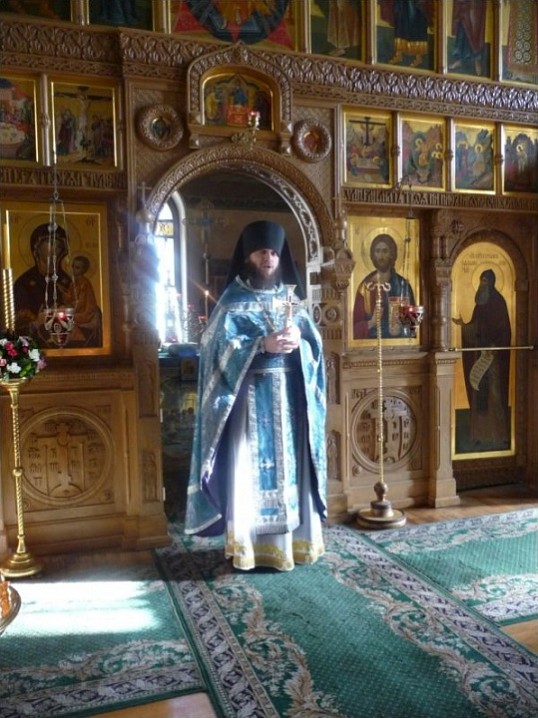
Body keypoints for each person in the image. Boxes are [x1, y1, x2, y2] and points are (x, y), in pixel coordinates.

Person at [184, 220, 327, 571]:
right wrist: (261, 344)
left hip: (290, 405)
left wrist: (300, 342)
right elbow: (214, 348)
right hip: (248, 403)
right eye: (262, 252)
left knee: (293, 472)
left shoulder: (292, 301)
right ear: (248, 256)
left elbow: (315, 347)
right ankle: (249, 549)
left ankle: (294, 545)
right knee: (248, 471)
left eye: (274, 253)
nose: (269, 259)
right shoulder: (232, 302)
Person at [452, 269, 511, 450]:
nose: (482, 284)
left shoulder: (499, 302)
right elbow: (475, 327)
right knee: (478, 391)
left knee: (495, 393)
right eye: (481, 280)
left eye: (485, 281)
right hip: (480, 355)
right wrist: (464, 326)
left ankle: (500, 435)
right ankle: (478, 435)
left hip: (493, 357)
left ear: (492, 282)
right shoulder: (479, 304)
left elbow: (505, 330)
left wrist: (494, 346)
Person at [14, 223, 71, 343]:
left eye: (59, 246)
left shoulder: (66, 281)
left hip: (64, 341)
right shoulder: (24, 283)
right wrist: (37, 321)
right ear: (37, 247)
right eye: (51, 244)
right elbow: (18, 322)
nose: (56, 249)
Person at [353, 233, 415, 339]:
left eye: (385, 251)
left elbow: (412, 325)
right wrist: (371, 322)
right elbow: (354, 328)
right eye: (377, 251)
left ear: (392, 254)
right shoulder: (365, 287)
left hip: (399, 345)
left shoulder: (403, 285)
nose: (381, 256)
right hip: (370, 345)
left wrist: (401, 329)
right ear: (373, 255)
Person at [62, 254, 103, 347]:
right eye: (73, 266)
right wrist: (64, 293)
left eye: (77, 268)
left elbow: (81, 302)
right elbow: (70, 298)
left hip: (87, 313)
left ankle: (75, 338)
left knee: (65, 317)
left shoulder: (85, 283)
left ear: (84, 270)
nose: (74, 269)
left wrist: (71, 307)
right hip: (77, 310)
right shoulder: (73, 283)